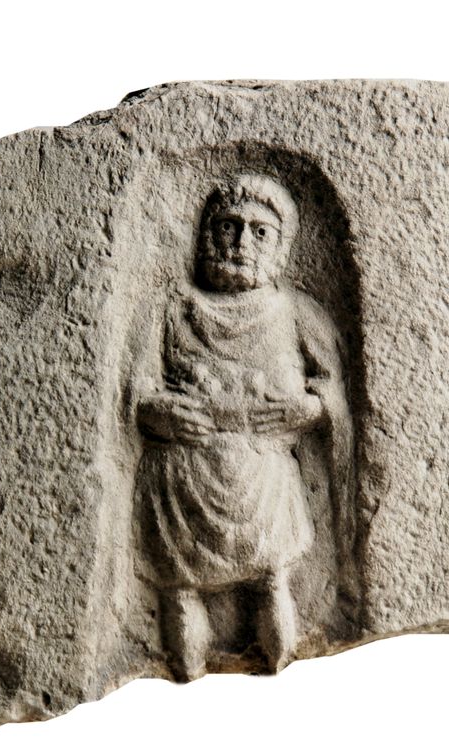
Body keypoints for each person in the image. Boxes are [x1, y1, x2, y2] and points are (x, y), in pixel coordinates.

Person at [133, 174, 349, 680]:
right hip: (183, 479)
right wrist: (163, 413)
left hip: (264, 478)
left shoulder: (295, 313)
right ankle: (182, 663)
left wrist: (310, 409)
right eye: (228, 227)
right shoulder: (173, 309)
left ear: (280, 247)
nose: (240, 242)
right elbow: (138, 392)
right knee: (180, 587)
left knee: (273, 579)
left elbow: (334, 389)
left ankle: (276, 656)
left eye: (259, 231)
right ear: (208, 235)